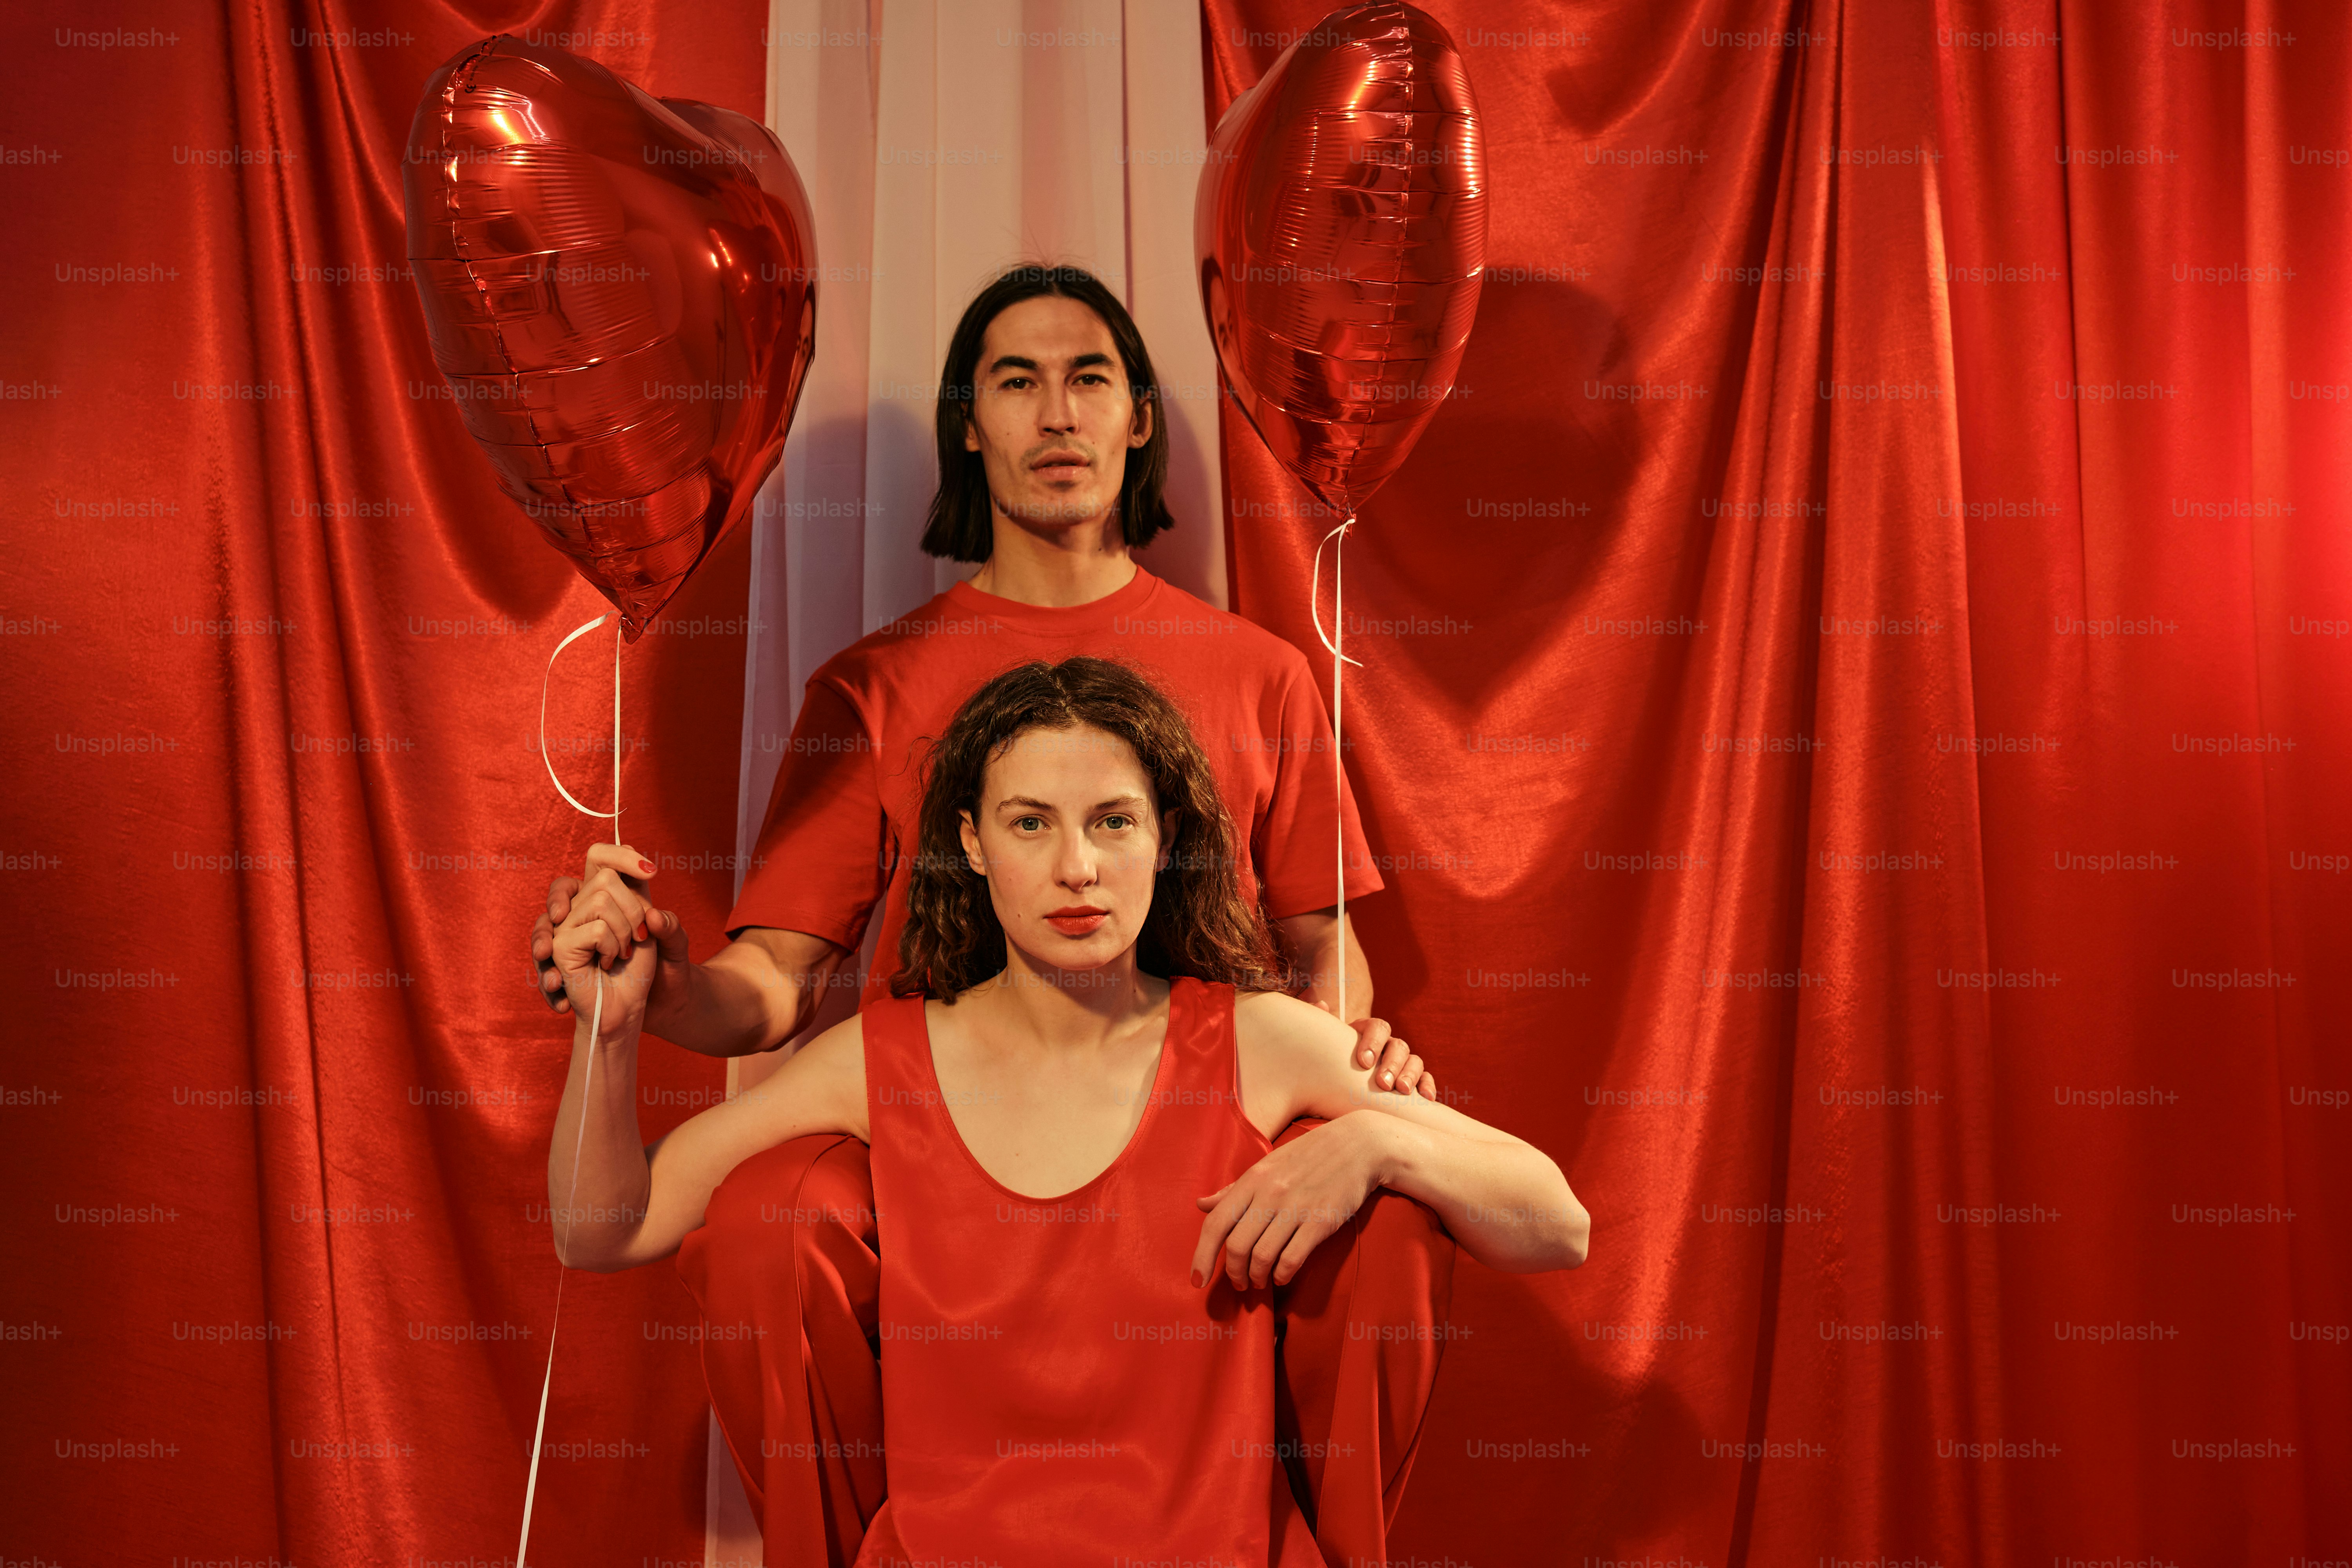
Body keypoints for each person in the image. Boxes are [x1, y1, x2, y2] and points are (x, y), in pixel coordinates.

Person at [525, 266, 1459, 1563]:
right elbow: (778, 985)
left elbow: (1321, 953)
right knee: (760, 1226)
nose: (1056, 413)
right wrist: (653, 989)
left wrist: (1351, 1094)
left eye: (1091, 378)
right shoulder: (874, 684)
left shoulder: (1263, 675)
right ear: (971, 424)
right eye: (1016, 382)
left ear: (1140, 419)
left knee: (1397, 1218)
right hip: (946, 1136)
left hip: (1194, 1130)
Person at [545, 657, 1589, 1568]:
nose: (1077, 868)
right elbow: (606, 1229)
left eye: (1114, 822)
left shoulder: (1256, 1042)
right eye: (1031, 823)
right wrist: (612, 1029)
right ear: (973, 841)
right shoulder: (883, 1060)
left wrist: (1374, 1144)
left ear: (1166, 835)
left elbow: (1557, 1222)